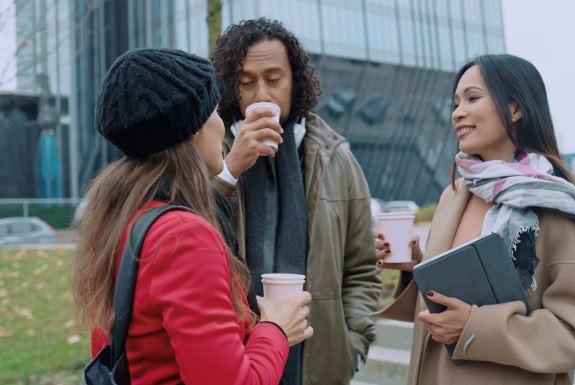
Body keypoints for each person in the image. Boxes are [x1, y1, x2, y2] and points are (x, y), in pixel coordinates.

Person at [374, 54, 575, 385]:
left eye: (472, 98)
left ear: (516, 109)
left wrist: (476, 327)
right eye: (455, 102)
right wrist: (415, 269)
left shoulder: (554, 204)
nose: (457, 112)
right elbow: (452, 297)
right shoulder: (454, 194)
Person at [72, 48, 313, 385]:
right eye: (214, 110)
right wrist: (275, 329)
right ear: (193, 130)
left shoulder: (123, 214)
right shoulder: (184, 236)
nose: (221, 122)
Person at [210, 18, 381, 385]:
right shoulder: (210, 151)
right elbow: (186, 237)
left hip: (320, 365)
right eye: (246, 82)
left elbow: (363, 269)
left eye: (274, 79)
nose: (262, 95)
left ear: (295, 80)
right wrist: (230, 169)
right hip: (233, 363)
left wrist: (352, 346)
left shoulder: (336, 156)